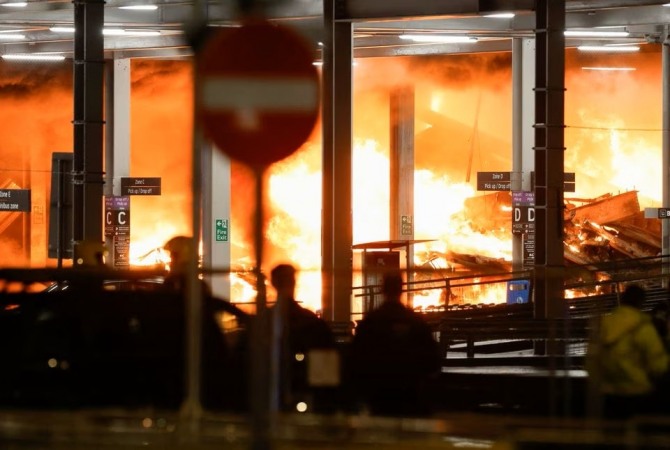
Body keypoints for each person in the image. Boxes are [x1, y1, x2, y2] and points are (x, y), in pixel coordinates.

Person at [348, 271, 442, 417]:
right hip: (410, 395)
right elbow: (432, 360)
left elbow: (355, 359)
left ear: (382, 289)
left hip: (379, 396)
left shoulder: (371, 322)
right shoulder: (415, 321)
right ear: (401, 289)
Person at [586, 284, 669, 419]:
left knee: (612, 431)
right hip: (636, 390)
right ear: (641, 302)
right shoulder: (643, 325)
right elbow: (657, 362)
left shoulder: (605, 323)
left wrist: (597, 380)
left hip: (608, 390)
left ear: (623, 299)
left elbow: (592, 357)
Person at [269, 263, 338, 413]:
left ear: (273, 284)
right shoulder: (313, 323)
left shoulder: (263, 323)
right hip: (307, 397)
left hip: (270, 398)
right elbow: (326, 372)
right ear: (294, 282)